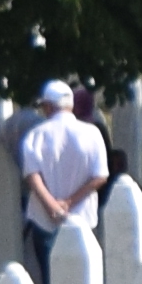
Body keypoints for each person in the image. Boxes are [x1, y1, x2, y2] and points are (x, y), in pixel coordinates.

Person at [14, 79, 114, 244]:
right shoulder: (92, 133)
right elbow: (100, 176)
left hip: (44, 219)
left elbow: (33, 176)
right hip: (82, 217)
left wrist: (51, 206)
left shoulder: (35, 135)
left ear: (48, 106)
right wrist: (69, 202)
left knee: (48, 268)